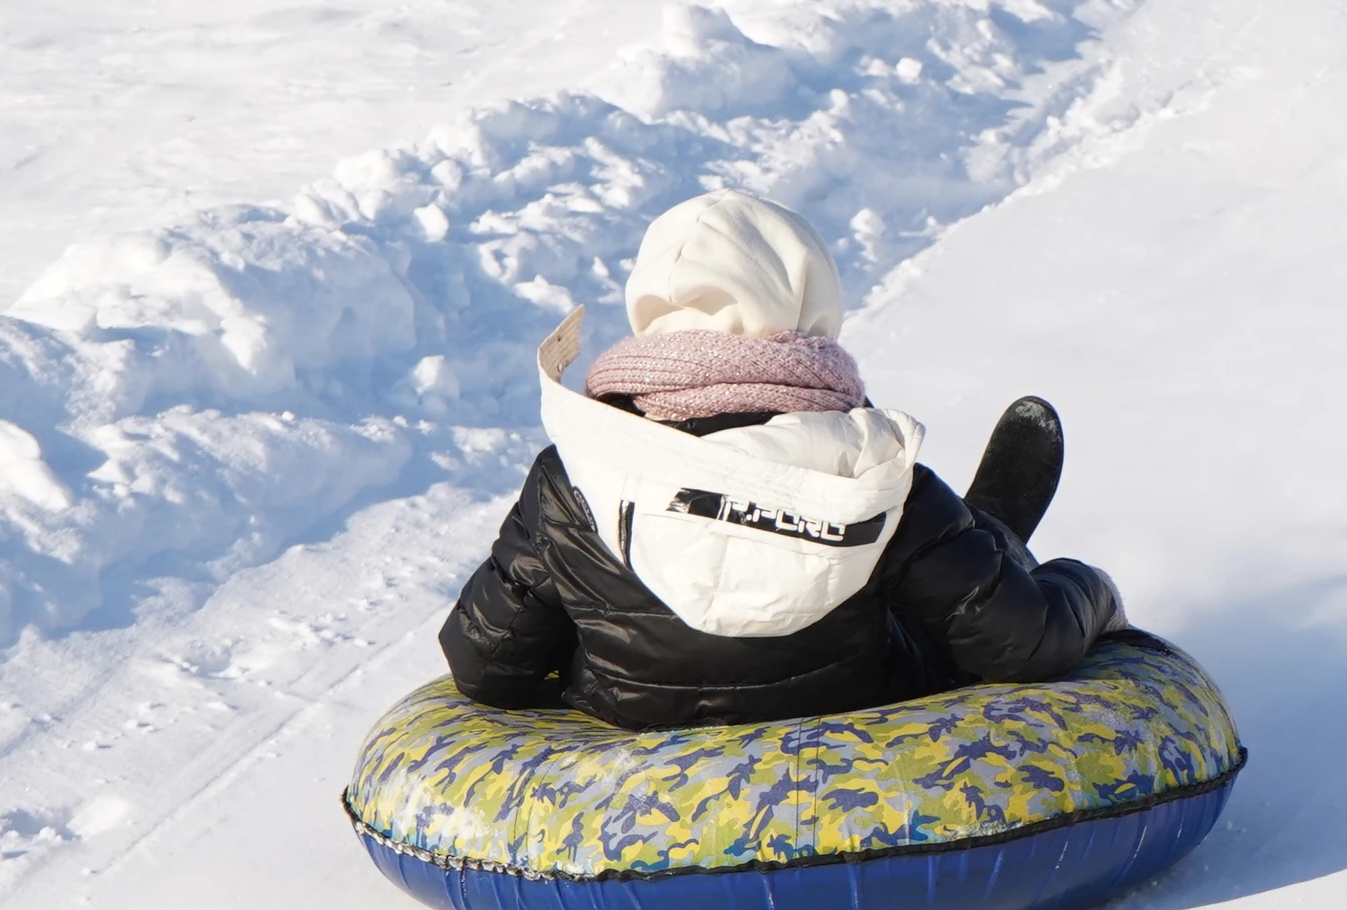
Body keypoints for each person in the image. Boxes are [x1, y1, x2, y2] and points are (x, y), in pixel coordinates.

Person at [436, 189, 1124, 730]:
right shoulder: (868, 462)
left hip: (637, 720)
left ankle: (974, 541)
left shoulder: (579, 470)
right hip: (853, 709)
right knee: (931, 598)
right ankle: (990, 538)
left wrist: (599, 628)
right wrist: (1089, 586)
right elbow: (1023, 645)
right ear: (809, 298)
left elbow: (486, 665)